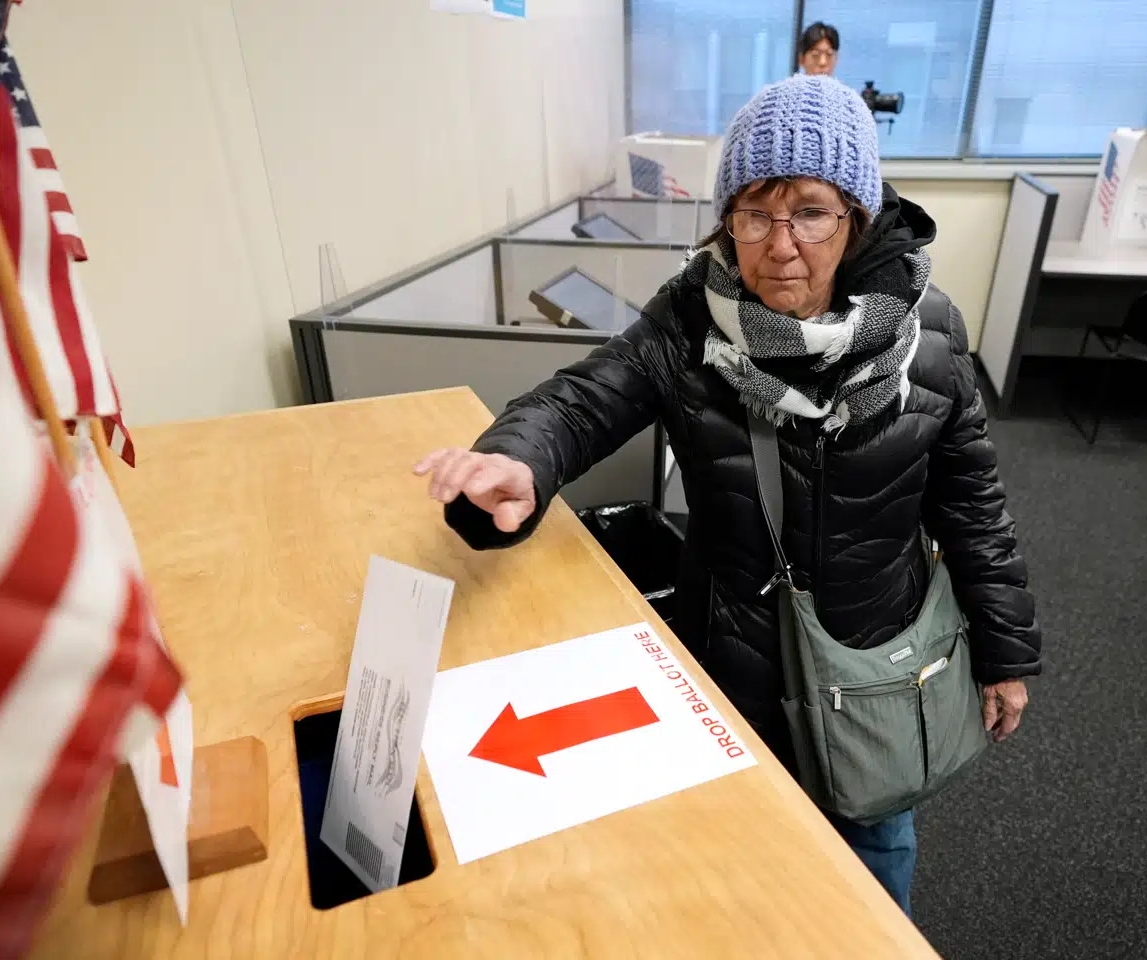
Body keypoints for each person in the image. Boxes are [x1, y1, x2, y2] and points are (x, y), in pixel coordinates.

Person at [414, 75, 1041, 914]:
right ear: (727, 218)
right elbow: (583, 398)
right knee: (742, 861)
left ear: (855, 216)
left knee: (873, 851)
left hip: (876, 659)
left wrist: (1005, 654)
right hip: (732, 654)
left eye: (811, 211)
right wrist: (517, 461)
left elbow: (972, 506)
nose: (781, 244)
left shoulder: (928, 336)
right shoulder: (686, 322)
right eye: (755, 211)